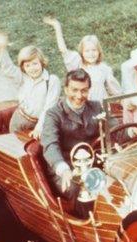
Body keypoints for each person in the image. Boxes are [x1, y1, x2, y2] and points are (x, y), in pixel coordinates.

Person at [40, 68, 103, 206]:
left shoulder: (96, 107)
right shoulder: (53, 114)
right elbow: (50, 144)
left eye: (84, 90)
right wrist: (63, 169)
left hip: (93, 164)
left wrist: (130, 132)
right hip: (66, 167)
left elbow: (113, 129)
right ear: (66, 89)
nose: (79, 95)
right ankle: (87, 224)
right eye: (74, 90)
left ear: (89, 90)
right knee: (79, 189)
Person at [0, 32, 60, 139]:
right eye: (27, 65)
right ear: (23, 67)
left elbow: (49, 108)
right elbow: (8, 68)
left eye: (35, 64)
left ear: (41, 62)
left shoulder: (51, 81)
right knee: (13, 145)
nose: (32, 68)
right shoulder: (23, 77)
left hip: (38, 124)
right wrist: (2, 48)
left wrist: (39, 127)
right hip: (19, 118)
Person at [43, 17, 121, 102]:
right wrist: (57, 27)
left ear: (99, 51)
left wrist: (121, 100)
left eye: (94, 50)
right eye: (87, 51)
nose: (91, 54)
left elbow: (116, 91)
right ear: (82, 53)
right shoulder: (78, 64)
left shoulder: (104, 68)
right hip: (81, 105)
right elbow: (63, 50)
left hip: (100, 105)